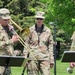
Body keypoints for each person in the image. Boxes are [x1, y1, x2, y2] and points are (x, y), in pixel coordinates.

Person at [0, 8, 19, 75]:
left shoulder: (8, 29)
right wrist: (11, 41)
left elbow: (12, 45)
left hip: (7, 60)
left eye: (8, 19)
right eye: (5, 20)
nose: (7, 21)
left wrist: (14, 36)